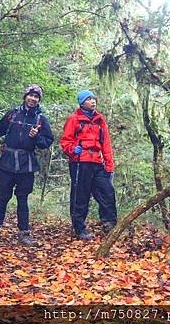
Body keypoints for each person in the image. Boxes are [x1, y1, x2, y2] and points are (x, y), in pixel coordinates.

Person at [0, 84, 54, 246]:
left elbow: (46, 142)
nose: (32, 99)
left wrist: (36, 136)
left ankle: (24, 233)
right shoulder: (13, 114)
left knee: (23, 198)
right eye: (30, 95)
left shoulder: (41, 120)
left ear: (39, 100)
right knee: (2, 197)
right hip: (8, 161)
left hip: (27, 164)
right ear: (25, 96)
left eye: (36, 97)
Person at [60, 90, 117, 240]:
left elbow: (106, 144)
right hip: (80, 161)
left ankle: (110, 224)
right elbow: (65, 141)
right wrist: (73, 150)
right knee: (81, 195)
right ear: (82, 102)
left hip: (97, 162)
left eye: (93, 98)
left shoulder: (100, 120)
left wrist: (109, 165)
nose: (93, 101)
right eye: (89, 99)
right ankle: (79, 227)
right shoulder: (74, 119)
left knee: (107, 191)